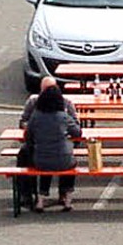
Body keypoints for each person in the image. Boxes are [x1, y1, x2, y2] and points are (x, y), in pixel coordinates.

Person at [26, 84, 81, 212]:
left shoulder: (35, 116)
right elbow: (77, 133)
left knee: (45, 165)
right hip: (63, 159)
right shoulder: (63, 117)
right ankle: (67, 199)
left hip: (41, 160)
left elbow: (28, 135)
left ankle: (40, 200)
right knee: (70, 164)